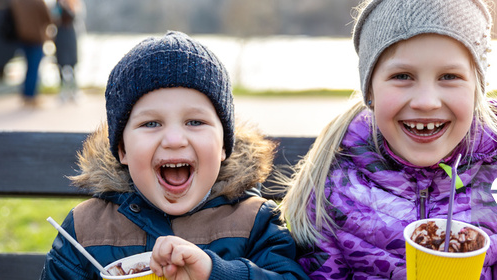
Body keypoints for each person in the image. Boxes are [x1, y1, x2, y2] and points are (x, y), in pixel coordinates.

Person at [278, 0, 497, 279]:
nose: (426, 102)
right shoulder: (333, 190)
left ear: (477, 90)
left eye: (449, 76)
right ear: (370, 92)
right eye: (402, 76)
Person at [40, 31, 309, 280]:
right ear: (122, 149)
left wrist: (216, 273)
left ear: (225, 146)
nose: (174, 140)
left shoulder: (255, 222)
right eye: (151, 124)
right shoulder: (86, 228)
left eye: (194, 122)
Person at [9, 0, 52, 107]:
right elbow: (48, 18)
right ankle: (31, 96)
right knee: (34, 67)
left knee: (28, 66)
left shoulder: (18, 2)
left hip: (23, 37)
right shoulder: (38, 2)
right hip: (36, 38)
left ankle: (26, 94)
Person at [52, 0, 83, 103]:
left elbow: (76, 17)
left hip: (70, 36)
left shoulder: (74, 4)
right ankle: (62, 90)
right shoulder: (56, 5)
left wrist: (67, 6)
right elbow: (53, 18)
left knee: (73, 63)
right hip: (61, 36)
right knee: (60, 63)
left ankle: (74, 90)